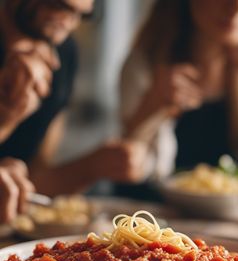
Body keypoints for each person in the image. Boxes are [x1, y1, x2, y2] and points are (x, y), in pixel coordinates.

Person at [120, 0, 238, 181]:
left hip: (234, 209)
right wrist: (152, 103)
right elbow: (125, 162)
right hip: (155, 207)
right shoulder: (144, 65)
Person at [0, 0, 147, 198]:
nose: (69, 24)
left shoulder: (64, 54)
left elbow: (34, 181)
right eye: (57, 6)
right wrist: (7, 118)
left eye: (82, 15)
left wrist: (93, 166)